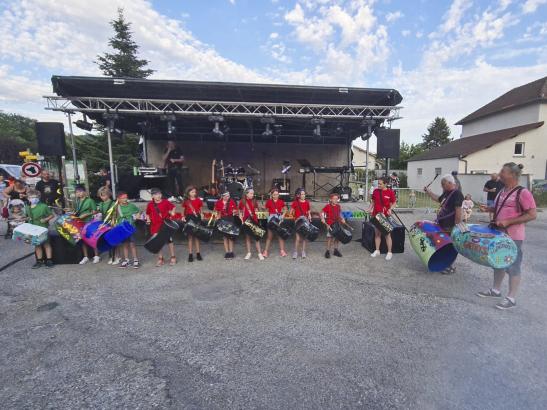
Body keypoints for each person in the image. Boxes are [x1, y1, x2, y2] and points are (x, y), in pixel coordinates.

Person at [477, 163, 536, 310]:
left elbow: (532, 214)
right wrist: (489, 208)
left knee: (513, 265)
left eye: (502, 171)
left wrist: (508, 221)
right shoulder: (502, 190)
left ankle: (511, 298)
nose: (499, 173)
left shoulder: (523, 193)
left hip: (513, 236)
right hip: (498, 234)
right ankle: (496, 290)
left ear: (512, 175)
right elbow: (501, 208)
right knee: (498, 262)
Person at [424, 174, 464, 274]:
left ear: (451, 183)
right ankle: (446, 265)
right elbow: (438, 199)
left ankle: (447, 265)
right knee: (443, 245)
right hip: (443, 223)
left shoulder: (457, 194)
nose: (442, 186)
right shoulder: (447, 193)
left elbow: (458, 210)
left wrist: (457, 225)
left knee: (449, 246)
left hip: (450, 225)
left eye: (443, 184)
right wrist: (428, 192)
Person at [146, 187, 176, 267]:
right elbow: (147, 213)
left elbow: (173, 207)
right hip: (155, 226)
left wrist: (172, 212)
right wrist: (148, 219)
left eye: (159, 194)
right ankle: (160, 258)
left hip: (165, 225)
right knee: (158, 243)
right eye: (156, 194)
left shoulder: (166, 202)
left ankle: (173, 257)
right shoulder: (150, 204)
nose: (158, 196)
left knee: (170, 241)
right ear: (152, 196)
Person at [369, 177, 397, 261]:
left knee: (387, 234)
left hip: (385, 216)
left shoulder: (390, 192)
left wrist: (390, 209)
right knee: (377, 234)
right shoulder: (375, 191)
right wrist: (369, 209)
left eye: (380, 184)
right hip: (376, 215)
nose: (378, 185)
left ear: (385, 184)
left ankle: (389, 252)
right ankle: (377, 250)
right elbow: (373, 202)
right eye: (378, 183)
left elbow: (394, 202)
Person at [26, 189, 55, 269]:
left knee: (46, 244)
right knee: (37, 245)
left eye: (35, 197)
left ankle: (49, 260)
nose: (33, 199)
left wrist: (46, 219)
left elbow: (51, 215)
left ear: (39, 197)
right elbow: (27, 216)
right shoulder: (28, 207)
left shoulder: (43, 206)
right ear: (28, 198)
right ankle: (39, 261)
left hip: (43, 227)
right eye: (31, 197)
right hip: (33, 228)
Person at [73, 185, 99, 265]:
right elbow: (76, 211)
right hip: (80, 223)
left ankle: (96, 255)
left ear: (84, 192)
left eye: (80, 191)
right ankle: (85, 257)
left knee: (92, 238)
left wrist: (87, 214)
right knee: (82, 240)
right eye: (77, 192)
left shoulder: (90, 200)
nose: (79, 193)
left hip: (89, 222)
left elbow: (96, 211)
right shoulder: (76, 201)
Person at [115, 191, 141, 268]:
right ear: (118, 199)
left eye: (126, 197)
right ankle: (126, 260)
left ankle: (136, 260)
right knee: (125, 245)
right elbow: (114, 217)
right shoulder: (116, 207)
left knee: (132, 244)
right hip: (122, 228)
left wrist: (137, 216)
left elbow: (138, 211)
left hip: (130, 227)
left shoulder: (131, 205)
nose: (125, 199)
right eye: (123, 198)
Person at [239, 188, 264, 261]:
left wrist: (259, 209)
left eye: (253, 193)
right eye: (251, 193)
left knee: (257, 238)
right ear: (246, 193)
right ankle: (249, 252)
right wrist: (241, 218)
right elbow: (240, 210)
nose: (252, 195)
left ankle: (259, 253)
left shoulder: (254, 201)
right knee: (247, 238)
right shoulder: (242, 201)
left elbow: (256, 209)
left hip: (254, 220)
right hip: (246, 221)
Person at [96, 186, 119, 265]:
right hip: (104, 224)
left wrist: (114, 224)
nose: (102, 197)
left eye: (104, 195)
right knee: (108, 241)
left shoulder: (113, 203)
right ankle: (111, 257)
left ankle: (116, 257)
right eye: (101, 195)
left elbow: (116, 214)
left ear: (109, 194)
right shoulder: (101, 204)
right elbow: (99, 214)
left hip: (112, 224)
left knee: (114, 241)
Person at [263, 188, 288, 258]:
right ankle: (265, 251)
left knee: (280, 235)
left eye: (277, 194)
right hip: (271, 219)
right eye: (274, 194)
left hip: (279, 218)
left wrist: (283, 215)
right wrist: (263, 208)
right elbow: (266, 209)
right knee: (269, 236)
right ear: (272, 195)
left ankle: (282, 251)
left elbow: (285, 209)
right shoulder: (269, 202)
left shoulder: (281, 201)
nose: (276, 196)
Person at [181, 185, 204, 262]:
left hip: (196, 218)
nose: (194, 193)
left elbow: (200, 210)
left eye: (195, 192)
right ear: (188, 193)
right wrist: (183, 216)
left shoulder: (198, 200)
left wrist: (202, 215)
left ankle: (198, 253)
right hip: (189, 218)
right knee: (190, 237)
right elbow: (183, 210)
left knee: (197, 237)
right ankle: (190, 254)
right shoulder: (186, 201)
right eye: (192, 192)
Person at [321, 192, 346, 258]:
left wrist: (342, 218)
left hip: (337, 224)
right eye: (334, 199)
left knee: (337, 238)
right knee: (330, 238)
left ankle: (336, 250)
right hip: (330, 225)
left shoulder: (338, 206)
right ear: (331, 199)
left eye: (336, 199)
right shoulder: (328, 206)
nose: (335, 200)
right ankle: (327, 251)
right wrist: (322, 218)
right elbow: (322, 212)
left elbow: (340, 213)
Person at [214, 191, 238, 259]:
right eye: (227, 196)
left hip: (230, 219)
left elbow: (236, 210)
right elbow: (217, 211)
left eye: (229, 196)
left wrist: (235, 211)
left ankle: (231, 251)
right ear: (223, 196)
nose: (228, 197)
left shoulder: (232, 201)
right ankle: (227, 252)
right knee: (225, 237)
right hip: (223, 219)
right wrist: (217, 217)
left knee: (231, 237)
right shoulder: (218, 202)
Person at [290, 188, 312, 259]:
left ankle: (303, 251)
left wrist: (309, 215)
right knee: (298, 238)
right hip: (298, 222)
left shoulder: (307, 202)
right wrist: (291, 213)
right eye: (302, 194)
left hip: (305, 221)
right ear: (298, 195)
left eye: (304, 194)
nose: (303, 195)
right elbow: (291, 211)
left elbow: (308, 211)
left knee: (304, 238)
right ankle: (295, 252)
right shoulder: (295, 203)